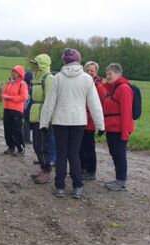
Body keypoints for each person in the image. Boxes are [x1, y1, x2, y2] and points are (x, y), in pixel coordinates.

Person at [40, 48, 104, 199]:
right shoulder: (87, 79)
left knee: (62, 154)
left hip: (60, 121)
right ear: (79, 60)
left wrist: (44, 123)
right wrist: (101, 125)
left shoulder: (58, 78)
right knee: (74, 153)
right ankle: (77, 186)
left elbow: (49, 103)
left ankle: (60, 187)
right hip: (78, 121)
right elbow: (95, 104)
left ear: (64, 61)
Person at [103, 63, 134, 191]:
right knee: (115, 153)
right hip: (112, 128)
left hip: (119, 129)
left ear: (118, 74)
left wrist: (125, 133)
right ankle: (118, 179)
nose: (108, 76)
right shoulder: (113, 89)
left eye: (110, 74)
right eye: (107, 74)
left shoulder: (123, 89)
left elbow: (127, 112)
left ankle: (121, 181)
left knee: (119, 154)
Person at [80, 61, 107, 180]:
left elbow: (101, 105)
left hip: (91, 120)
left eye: (92, 70)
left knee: (89, 147)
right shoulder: (81, 83)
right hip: (80, 119)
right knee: (80, 146)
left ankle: (91, 171)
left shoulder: (100, 87)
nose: (90, 72)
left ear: (96, 72)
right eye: (88, 70)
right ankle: (81, 168)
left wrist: (99, 122)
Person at [29, 54, 54, 184]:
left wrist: (47, 118)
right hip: (36, 115)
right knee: (36, 145)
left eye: (36, 63)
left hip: (43, 117)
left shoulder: (48, 78)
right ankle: (43, 168)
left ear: (42, 64)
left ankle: (47, 171)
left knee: (43, 145)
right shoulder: (37, 78)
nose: (34, 66)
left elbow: (50, 100)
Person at [1, 65, 29, 156]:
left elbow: (24, 97)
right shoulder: (9, 83)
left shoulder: (22, 84)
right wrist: (3, 96)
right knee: (7, 129)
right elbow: (4, 93)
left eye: (15, 72)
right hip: (7, 108)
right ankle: (11, 147)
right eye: (12, 71)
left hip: (17, 110)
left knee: (17, 130)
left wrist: (10, 98)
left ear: (19, 73)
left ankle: (20, 149)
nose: (13, 73)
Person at [23, 71, 33, 144]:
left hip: (25, 107)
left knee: (26, 122)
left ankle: (25, 138)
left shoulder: (24, 85)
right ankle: (26, 139)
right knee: (27, 123)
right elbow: (28, 98)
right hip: (27, 107)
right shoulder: (28, 87)